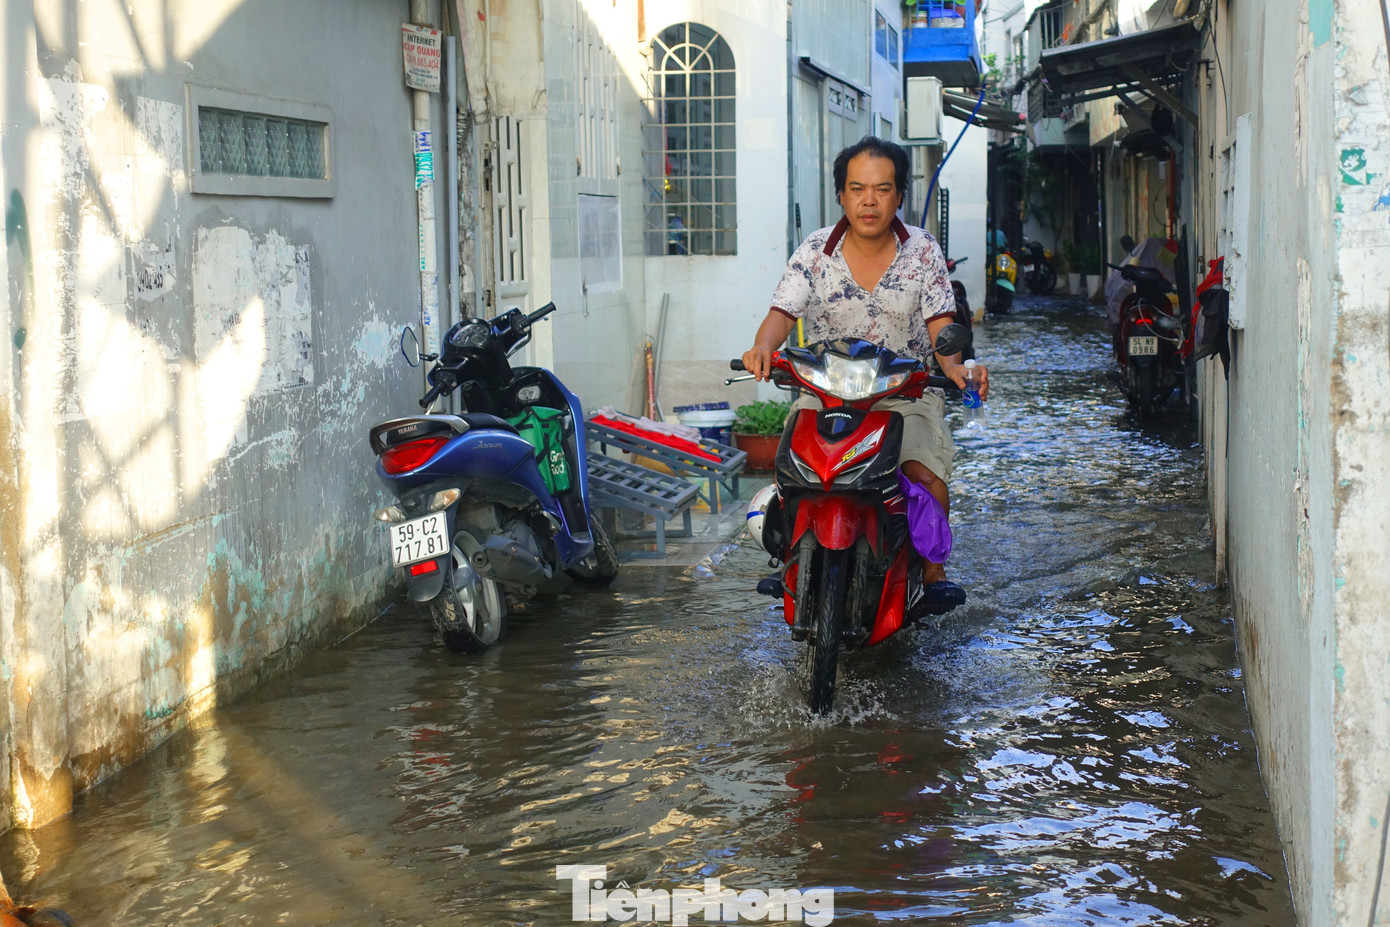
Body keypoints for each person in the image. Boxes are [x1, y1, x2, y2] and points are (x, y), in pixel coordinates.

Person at [741, 136, 988, 612]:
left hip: (905, 392)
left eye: (882, 189)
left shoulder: (923, 251)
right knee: (794, 464)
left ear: (899, 196)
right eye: (857, 188)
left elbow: (942, 327)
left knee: (922, 470)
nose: (869, 201)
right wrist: (762, 347)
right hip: (826, 390)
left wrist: (956, 369)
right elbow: (781, 312)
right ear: (841, 194)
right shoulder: (814, 250)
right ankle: (791, 560)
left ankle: (933, 573)